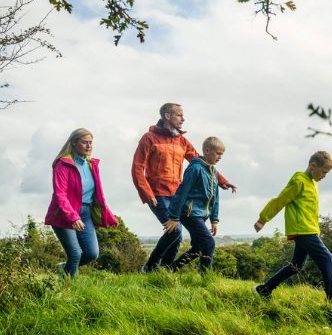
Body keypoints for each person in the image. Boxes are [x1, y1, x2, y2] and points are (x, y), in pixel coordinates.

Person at [132, 103, 236, 272]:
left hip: (178, 196)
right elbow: (137, 168)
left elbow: (201, 161)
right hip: (157, 194)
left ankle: (164, 271)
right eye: (179, 115)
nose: (183, 119)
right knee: (175, 231)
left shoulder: (182, 141)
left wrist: (222, 181)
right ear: (167, 116)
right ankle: (149, 268)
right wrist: (147, 193)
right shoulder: (149, 138)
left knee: (176, 235)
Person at [252, 151, 332, 302]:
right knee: (327, 258)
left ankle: (264, 289)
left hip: (309, 229)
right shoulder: (299, 181)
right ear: (313, 166)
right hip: (303, 230)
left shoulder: (313, 183)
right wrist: (263, 219)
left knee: (296, 265)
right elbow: (280, 200)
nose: (324, 176)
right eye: (323, 172)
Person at [45, 128, 117, 278]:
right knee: (75, 254)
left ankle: (64, 268)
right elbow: (60, 194)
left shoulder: (92, 165)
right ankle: (69, 286)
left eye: (90, 142)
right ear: (73, 143)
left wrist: (109, 215)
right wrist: (73, 216)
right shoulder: (63, 164)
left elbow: (98, 195)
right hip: (64, 214)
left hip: (85, 213)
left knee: (92, 253)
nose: (89, 146)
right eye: (84, 142)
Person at [162, 137, 224, 273]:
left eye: (222, 154)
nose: (220, 157)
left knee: (199, 248)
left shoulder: (213, 172)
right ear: (207, 151)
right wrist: (174, 216)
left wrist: (214, 219)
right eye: (218, 153)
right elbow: (181, 193)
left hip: (201, 215)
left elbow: (215, 197)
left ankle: (170, 270)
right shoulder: (195, 169)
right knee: (209, 242)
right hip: (189, 213)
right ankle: (206, 277)